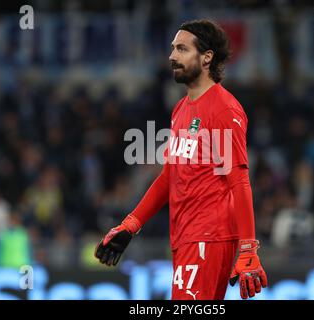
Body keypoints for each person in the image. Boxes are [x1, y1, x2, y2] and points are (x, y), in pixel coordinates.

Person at [95, 19, 267, 300]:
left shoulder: (224, 109)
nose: (172, 56)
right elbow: (169, 176)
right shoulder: (181, 109)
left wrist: (248, 247)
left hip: (208, 237)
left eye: (182, 49)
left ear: (207, 57)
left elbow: (239, 179)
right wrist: (131, 225)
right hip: (185, 237)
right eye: (173, 49)